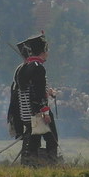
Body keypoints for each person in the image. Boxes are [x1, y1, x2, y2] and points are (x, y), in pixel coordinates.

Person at [14, 33, 59, 166]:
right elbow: (37, 92)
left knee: (33, 141)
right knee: (52, 139)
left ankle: (30, 165)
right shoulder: (38, 68)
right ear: (43, 51)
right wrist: (44, 111)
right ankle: (52, 165)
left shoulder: (23, 68)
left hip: (27, 113)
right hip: (38, 111)